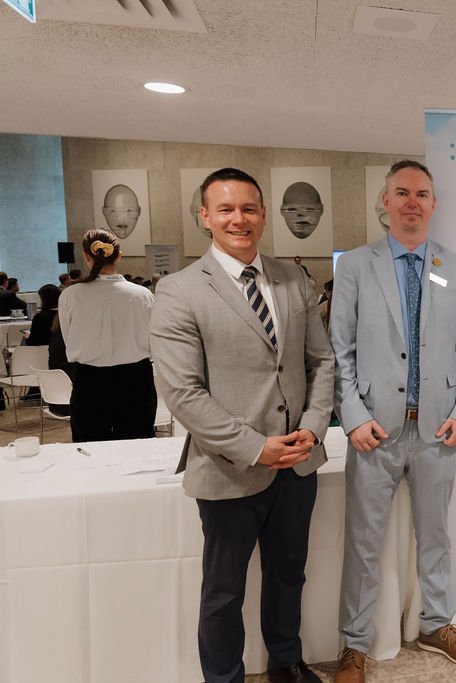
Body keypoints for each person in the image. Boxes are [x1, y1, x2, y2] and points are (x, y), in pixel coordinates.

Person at [149, 167, 333, 683]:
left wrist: (314, 427)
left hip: (298, 461)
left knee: (288, 575)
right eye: (225, 209)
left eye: (249, 208)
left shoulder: (293, 279)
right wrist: (255, 447)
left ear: (263, 215)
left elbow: (321, 362)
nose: (239, 219)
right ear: (205, 216)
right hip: (229, 467)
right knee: (224, 590)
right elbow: (183, 392)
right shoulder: (179, 290)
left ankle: (286, 661)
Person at [330, 160, 456, 683]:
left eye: (421, 193)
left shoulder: (453, 266)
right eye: (402, 192)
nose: (412, 202)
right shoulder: (356, 265)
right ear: (386, 201)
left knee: (436, 536)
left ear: (433, 203)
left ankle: (436, 624)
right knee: (363, 543)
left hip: (438, 430)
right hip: (374, 433)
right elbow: (339, 351)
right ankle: (354, 644)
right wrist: (353, 416)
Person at [58, 228, 157, 442]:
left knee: (90, 449)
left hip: (89, 381)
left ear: (86, 257)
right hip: (136, 380)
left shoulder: (70, 295)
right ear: (119, 256)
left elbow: (68, 338)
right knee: (138, 448)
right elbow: (154, 340)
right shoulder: (143, 295)